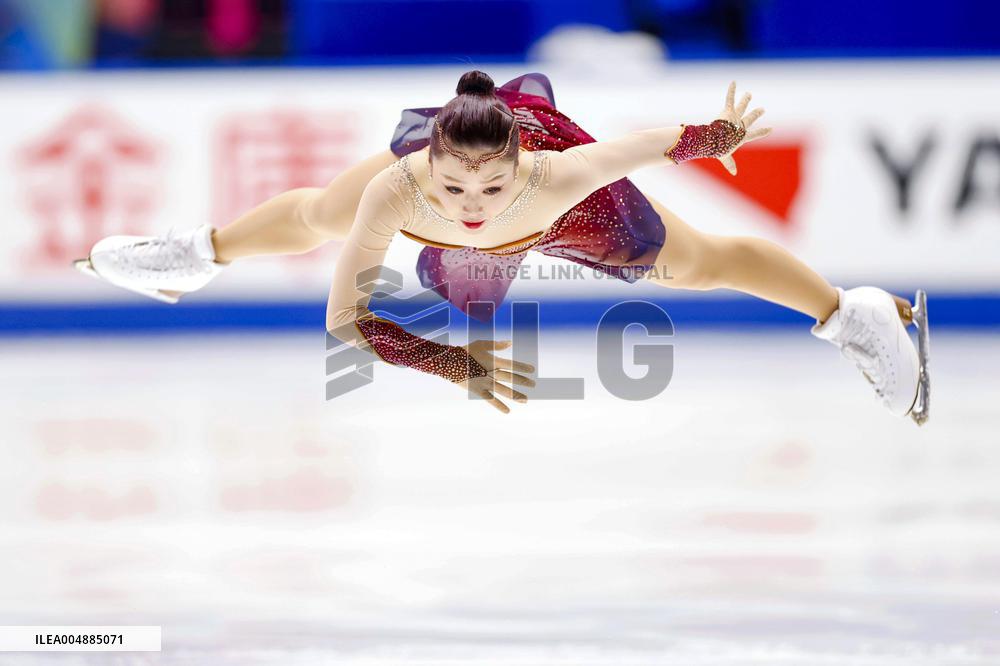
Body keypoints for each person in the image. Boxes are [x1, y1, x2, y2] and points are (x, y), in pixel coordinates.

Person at [75, 70, 930, 422]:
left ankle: (851, 314)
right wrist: (453, 366)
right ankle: (193, 254)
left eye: (491, 188)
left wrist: (721, 133)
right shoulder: (398, 187)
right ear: (425, 162)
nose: (473, 208)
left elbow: (659, 141)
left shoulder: (565, 176)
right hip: (438, 177)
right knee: (321, 215)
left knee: (699, 263)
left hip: (567, 217)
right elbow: (348, 319)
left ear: (523, 162)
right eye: (454, 187)